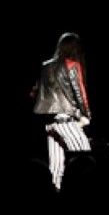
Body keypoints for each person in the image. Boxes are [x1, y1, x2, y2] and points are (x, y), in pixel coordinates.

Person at [32, 32, 92, 191]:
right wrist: (86, 115)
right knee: (83, 157)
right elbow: (80, 92)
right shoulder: (72, 65)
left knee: (56, 168)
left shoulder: (45, 66)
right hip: (65, 120)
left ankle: (56, 194)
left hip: (49, 122)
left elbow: (36, 92)